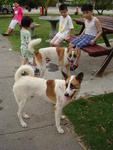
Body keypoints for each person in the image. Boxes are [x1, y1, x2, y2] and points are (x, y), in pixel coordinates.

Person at [69, 4, 102, 70]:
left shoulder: (95, 20)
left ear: (92, 12)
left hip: (91, 37)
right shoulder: (85, 20)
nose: (85, 15)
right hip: (85, 35)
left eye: (87, 12)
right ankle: (70, 58)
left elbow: (100, 31)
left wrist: (94, 40)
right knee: (71, 44)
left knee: (78, 46)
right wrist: (81, 35)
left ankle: (76, 62)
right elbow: (85, 28)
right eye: (84, 13)